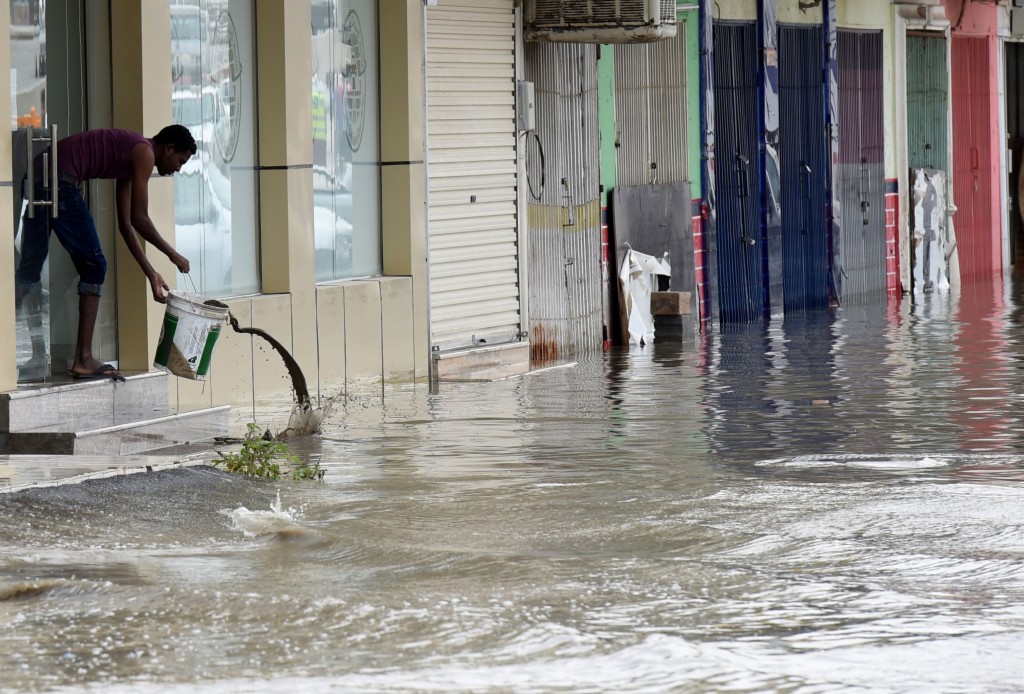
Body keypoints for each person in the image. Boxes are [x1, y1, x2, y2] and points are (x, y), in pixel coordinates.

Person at [14, 125, 196, 381]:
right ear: (168, 149)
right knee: (94, 266)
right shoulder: (144, 153)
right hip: (58, 181)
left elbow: (126, 225)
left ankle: (36, 356)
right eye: (180, 161)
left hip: (39, 177)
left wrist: (150, 273)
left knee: (29, 272)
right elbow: (140, 218)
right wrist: (173, 255)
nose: (178, 168)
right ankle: (84, 359)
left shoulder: (134, 156)